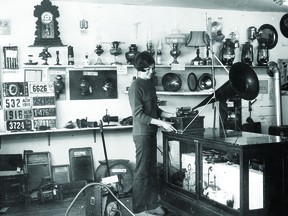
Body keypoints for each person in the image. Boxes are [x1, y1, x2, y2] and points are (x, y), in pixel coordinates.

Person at [128, 51, 177, 216]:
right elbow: (138, 115)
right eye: (146, 70)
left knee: (151, 171)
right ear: (139, 69)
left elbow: (154, 110)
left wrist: (169, 115)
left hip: (151, 133)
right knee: (142, 172)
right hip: (142, 135)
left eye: (152, 69)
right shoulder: (135, 87)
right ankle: (139, 210)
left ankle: (152, 205)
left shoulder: (150, 84)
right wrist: (161, 122)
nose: (150, 72)